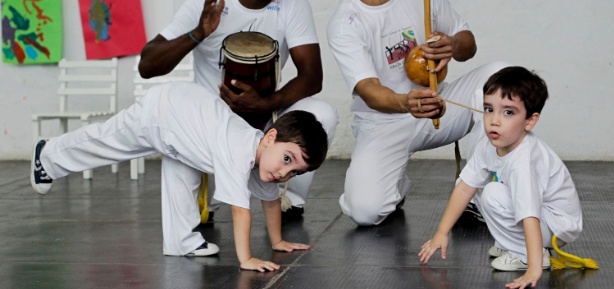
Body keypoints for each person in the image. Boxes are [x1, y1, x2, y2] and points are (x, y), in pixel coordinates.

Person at [30, 81, 329, 272]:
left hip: (184, 129)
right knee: (107, 142)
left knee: (184, 178)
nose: (283, 172)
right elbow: (240, 210)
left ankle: (180, 241)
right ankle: (47, 157)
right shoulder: (239, 151)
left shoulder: (263, 157)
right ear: (270, 137)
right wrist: (246, 259)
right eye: (287, 159)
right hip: (163, 111)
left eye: (295, 171)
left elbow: (270, 201)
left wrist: (277, 241)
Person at [138, 0, 338, 219]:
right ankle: (209, 197)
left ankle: (288, 203)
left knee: (322, 115)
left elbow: (312, 77)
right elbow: (147, 66)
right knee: (193, 217)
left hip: (264, 123)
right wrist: (197, 33)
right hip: (210, 133)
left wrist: (267, 103)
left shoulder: (292, 5)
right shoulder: (206, 4)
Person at [327, 0, 510, 226]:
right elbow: (369, 91)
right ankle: (395, 183)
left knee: (500, 75)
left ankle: (478, 196)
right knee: (365, 212)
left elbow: (468, 44)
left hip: (439, 103)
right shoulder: (346, 22)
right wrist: (406, 102)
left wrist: (453, 45)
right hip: (383, 122)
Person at [418, 66, 583, 289]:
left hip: (556, 226)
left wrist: (533, 267)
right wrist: (441, 233)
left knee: (493, 193)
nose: (494, 121)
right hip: (544, 218)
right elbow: (465, 187)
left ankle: (527, 254)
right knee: (478, 188)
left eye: (508, 112)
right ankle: (514, 244)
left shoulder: (522, 161)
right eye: (488, 109)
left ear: (530, 121)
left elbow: (529, 213)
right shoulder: (488, 145)